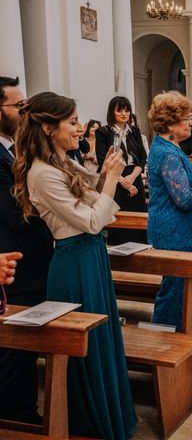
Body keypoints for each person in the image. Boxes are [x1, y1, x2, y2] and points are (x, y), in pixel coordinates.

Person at [13, 91, 137, 439]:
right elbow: (95, 220)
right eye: (71, 122)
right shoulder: (41, 174)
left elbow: (96, 203)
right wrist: (111, 177)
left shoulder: (63, 162)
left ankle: (111, 416)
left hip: (91, 256)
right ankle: (90, 423)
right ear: (49, 128)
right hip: (74, 262)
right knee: (86, 349)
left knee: (103, 337)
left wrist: (104, 178)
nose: (79, 127)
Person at [0, 76, 53, 425]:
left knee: (25, 349)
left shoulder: (14, 150)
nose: (23, 111)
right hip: (14, 266)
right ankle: (17, 417)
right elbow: (15, 215)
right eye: (17, 106)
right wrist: (56, 210)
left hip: (31, 264)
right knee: (14, 352)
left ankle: (22, 409)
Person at [146, 92, 192, 335]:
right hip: (173, 231)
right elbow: (185, 199)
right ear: (170, 123)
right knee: (175, 292)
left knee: (191, 289)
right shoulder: (167, 153)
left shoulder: (169, 147)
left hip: (180, 229)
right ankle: (163, 348)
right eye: (187, 119)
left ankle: (191, 345)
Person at [95, 96, 147, 245]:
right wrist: (123, 181)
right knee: (119, 220)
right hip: (114, 180)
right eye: (120, 110)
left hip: (134, 177)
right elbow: (102, 161)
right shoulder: (103, 132)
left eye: (127, 110)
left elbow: (142, 158)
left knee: (138, 218)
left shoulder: (135, 131)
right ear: (112, 112)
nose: (124, 114)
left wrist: (131, 179)